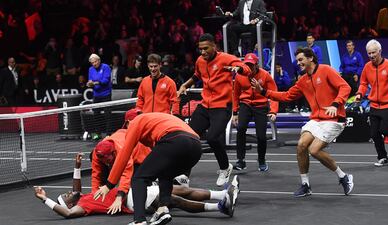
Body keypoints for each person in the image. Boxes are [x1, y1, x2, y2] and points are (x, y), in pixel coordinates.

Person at [252, 47, 354, 197]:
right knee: (301, 146)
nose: (298, 63)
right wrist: (263, 92)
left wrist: (335, 104)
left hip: (334, 119)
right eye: (297, 60)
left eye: (301, 60)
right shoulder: (303, 80)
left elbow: (345, 87)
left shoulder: (326, 70)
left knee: (314, 150)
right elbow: (286, 96)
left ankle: (343, 177)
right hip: (316, 119)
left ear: (310, 58)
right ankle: (305, 185)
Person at [34, 153, 240, 219]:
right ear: (69, 204)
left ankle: (222, 195)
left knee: (178, 192)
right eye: (66, 195)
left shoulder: (85, 195)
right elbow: (67, 214)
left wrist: (76, 167)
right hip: (133, 201)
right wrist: (45, 200)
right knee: (175, 199)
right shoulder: (83, 207)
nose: (69, 192)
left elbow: (76, 187)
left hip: (133, 191)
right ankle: (219, 205)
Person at [94, 113, 203, 225]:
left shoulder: (135, 123)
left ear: (127, 123)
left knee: (139, 178)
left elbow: (124, 155)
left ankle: (139, 220)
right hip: (196, 147)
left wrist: (109, 184)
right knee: (165, 173)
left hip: (175, 141)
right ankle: (162, 209)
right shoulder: (156, 120)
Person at [177, 33, 251, 186]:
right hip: (205, 105)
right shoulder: (200, 61)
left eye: (206, 48)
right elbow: (197, 75)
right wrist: (185, 85)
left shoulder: (225, 58)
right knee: (188, 137)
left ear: (214, 46)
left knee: (212, 138)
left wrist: (239, 69)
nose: (203, 52)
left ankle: (225, 168)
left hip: (222, 106)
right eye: (200, 49)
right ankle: (184, 175)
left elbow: (246, 68)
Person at [354, 39, 388, 167]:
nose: (372, 56)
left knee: (386, 130)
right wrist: (359, 94)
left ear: (380, 51)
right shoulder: (367, 67)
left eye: (374, 52)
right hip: (374, 105)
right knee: (374, 134)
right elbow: (363, 83)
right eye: (369, 53)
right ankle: (383, 158)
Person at [232, 53, 278, 172]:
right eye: (246, 65)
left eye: (251, 65)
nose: (249, 67)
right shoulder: (239, 75)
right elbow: (235, 94)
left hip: (261, 106)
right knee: (240, 128)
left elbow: (274, 94)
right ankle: (241, 160)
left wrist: (273, 111)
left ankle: (261, 160)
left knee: (261, 136)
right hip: (245, 104)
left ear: (257, 65)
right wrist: (235, 112)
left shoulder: (265, 75)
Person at [87, 53, 112, 140]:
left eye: (95, 62)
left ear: (99, 60)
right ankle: (98, 134)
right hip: (96, 95)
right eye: (92, 63)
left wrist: (94, 82)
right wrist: (89, 83)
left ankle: (108, 134)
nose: (94, 64)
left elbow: (105, 80)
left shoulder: (106, 67)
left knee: (107, 115)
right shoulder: (91, 69)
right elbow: (90, 80)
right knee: (96, 114)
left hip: (106, 94)